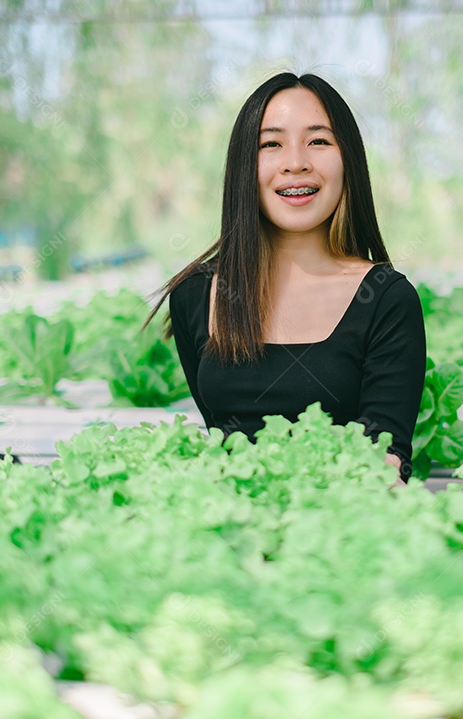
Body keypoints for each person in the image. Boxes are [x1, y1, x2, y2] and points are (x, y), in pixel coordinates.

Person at [147, 72, 426, 483]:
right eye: (271, 144)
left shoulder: (387, 300)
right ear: (244, 166)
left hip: (341, 528)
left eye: (318, 141)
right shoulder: (196, 295)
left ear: (348, 158)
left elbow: (386, 458)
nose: (296, 162)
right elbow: (220, 438)